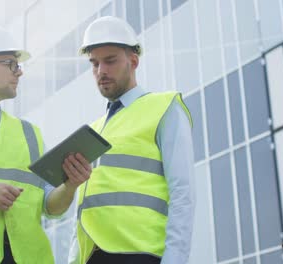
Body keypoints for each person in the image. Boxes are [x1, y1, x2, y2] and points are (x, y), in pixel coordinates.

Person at [0, 25, 92, 264]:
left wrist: (70, 186)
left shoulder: (29, 133)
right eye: (10, 64)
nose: (19, 73)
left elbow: (52, 206)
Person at [70, 16, 195, 264]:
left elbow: (183, 192)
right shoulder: (93, 130)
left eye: (110, 61)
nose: (101, 71)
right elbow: (83, 207)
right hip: (92, 257)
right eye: (94, 64)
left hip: (141, 254)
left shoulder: (164, 107)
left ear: (133, 61)